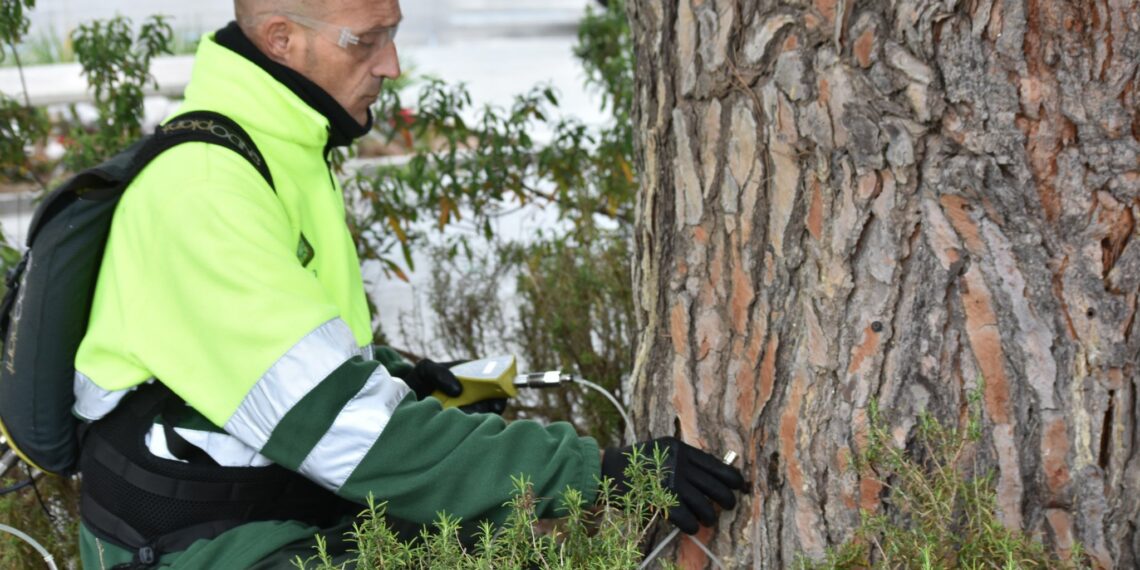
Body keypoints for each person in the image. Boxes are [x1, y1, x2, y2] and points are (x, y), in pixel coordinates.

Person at [72, 0, 744, 567]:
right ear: (282, 40)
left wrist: (409, 377)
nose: (391, 65)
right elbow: (344, 434)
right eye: (365, 41)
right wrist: (597, 474)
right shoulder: (209, 191)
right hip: (197, 542)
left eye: (392, 33)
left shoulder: (278, 151)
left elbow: (275, 361)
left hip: (258, 502)